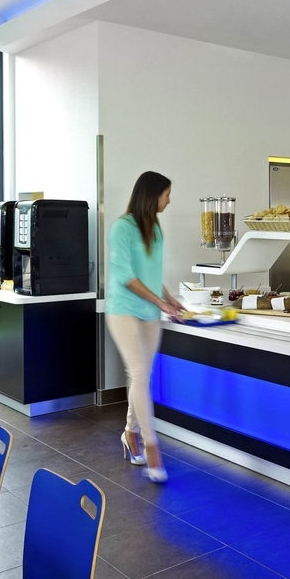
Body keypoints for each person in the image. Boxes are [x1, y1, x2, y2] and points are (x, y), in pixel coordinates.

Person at [106, 171, 184, 483]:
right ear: (152, 195)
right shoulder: (122, 228)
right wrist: (160, 303)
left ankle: (130, 432)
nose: (169, 200)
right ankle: (152, 447)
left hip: (149, 311)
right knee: (139, 374)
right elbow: (126, 276)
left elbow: (151, 273)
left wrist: (170, 298)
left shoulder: (155, 228)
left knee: (141, 376)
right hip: (123, 309)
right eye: (167, 194)